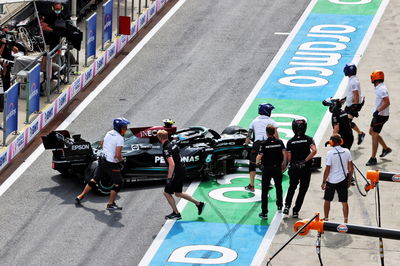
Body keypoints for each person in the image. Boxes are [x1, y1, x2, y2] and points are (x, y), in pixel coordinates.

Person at [75, 117, 131, 210]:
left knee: (95, 179)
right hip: (110, 163)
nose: (125, 129)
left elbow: (102, 144)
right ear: (119, 128)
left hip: (101, 159)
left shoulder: (109, 133)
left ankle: (80, 196)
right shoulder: (120, 138)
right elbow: (118, 155)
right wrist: (122, 160)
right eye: (124, 127)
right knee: (119, 182)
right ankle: (110, 204)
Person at [157, 130, 205, 220]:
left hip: (177, 172)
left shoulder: (166, 148)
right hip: (182, 170)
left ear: (159, 138)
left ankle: (176, 213)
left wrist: (169, 178)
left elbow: (172, 164)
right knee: (178, 193)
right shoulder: (173, 144)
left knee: (166, 193)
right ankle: (199, 204)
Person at [283, 119, 317, 218]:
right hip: (305, 168)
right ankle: (296, 211)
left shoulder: (290, 142)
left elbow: (288, 158)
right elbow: (314, 151)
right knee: (302, 190)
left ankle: (287, 206)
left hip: (294, 168)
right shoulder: (309, 139)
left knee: (292, 187)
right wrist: (305, 161)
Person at [244, 103, 279, 192]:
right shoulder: (271, 121)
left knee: (252, 164)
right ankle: (269, 182)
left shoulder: (254, 120)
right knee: (267, 164)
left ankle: (251, 185)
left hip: (257, 145)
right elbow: (276, 136)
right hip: (268, 145)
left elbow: (249, 134)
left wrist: (246, 143)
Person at [256, 125, 286, 220]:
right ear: (274, 132)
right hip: (277, 168)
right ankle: (280, 206)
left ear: (267, 132)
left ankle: (264, 212)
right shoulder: (280, 142)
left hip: (267, 169)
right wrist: (283, 163)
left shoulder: (264, 144)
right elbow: (284, 154)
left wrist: (258, 164)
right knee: (278, 187)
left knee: (264, 191)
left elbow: (259, 157)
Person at [321, 134, 353, 223]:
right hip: (343, 180)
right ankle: (346, 221)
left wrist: (324, 182)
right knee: (344, 201)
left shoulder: (330, 153)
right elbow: (351, 169)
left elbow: (327, 170)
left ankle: (326, 219)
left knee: (327, 200)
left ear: (331, 143)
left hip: (331, 181)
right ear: (341, 141)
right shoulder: (347, 151)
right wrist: (349, 180)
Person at [366, 70, 391, 166]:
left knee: (374, 135)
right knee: (371, 132)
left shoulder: (381, 89)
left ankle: (373, 158)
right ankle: (385, 148)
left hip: (381, 116)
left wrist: (378, 111)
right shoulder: (379, 87)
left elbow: (387, 102)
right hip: (378, 115)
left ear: (374, 79)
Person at [343, 64, 366, 145]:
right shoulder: (352, 79)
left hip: (354, 105)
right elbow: (351, 93)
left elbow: (356, 94)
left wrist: (355, 106)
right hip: (351, 104)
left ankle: (360, 134)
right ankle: (360, 133)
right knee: (344, 121)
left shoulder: (353, 81)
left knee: (347, 122)